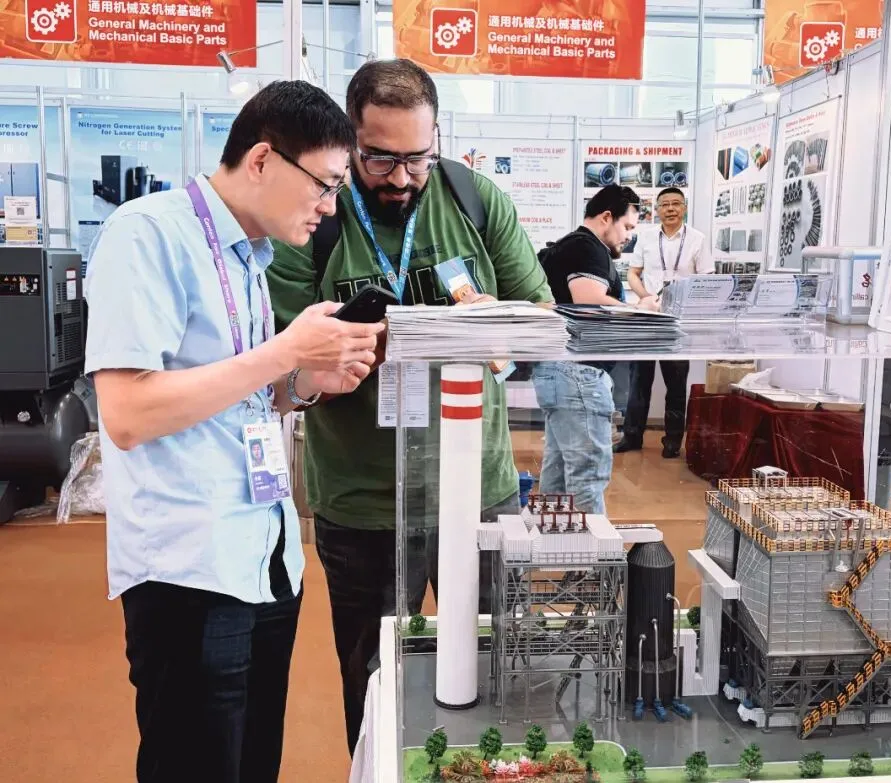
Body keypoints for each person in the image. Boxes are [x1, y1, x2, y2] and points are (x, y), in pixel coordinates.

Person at [84, 81, 384, 783]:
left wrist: (305, 382)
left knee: (252, 764)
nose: (329, 206)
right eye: (326, 184)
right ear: (262, 160)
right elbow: (127, 413)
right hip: (189, 567)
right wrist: (284, 351)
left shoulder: (250, 256)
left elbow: (237, 391)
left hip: (264, 559)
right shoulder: (149, 234)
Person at [265, 58, 552, 754]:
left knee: (497, 666)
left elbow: (541, 318)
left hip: (478, 492)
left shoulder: (475, 200)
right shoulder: (315, 218)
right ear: (348, 140)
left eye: (417, 158)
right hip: (364, 502)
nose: (400, 177)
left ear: (437, 139)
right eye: (379, 159)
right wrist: (345, 352)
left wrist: (496, 327)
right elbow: (279, 361)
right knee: (374, 682)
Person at [533, 185, 645, 515]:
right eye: (627, 227)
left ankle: (554, 542)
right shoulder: (588, 247)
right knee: (587, 475)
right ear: (606, 217)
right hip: (578, 374)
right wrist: (642, 312)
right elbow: (590, 301)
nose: (628, 237)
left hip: (560, 371)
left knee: (558, 474)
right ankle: (587, 549)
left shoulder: (569, 246)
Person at [616, 186, 712, 459]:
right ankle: (632, 436)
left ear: (684, 208)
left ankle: (672, 441)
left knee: (676, 382)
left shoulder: (698, 239)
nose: (670, 209)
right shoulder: (646, 237)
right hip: (648, 317)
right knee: (639, 380)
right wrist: (645, 296)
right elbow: (633, 273)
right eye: (665, 204)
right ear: (656, 210)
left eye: (676, 204)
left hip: (678, 321)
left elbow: (706, 278)